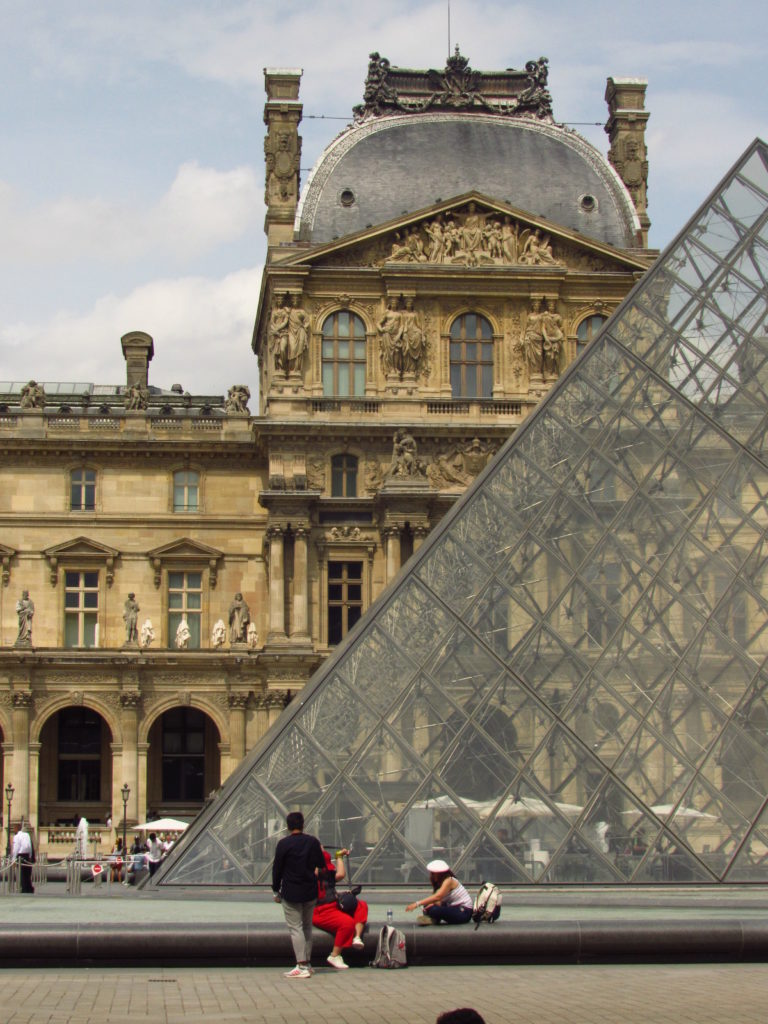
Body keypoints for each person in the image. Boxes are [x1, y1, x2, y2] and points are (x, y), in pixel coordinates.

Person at [271, 811, 326, 979]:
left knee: (295, 928)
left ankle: (301, 965)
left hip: (291, 891)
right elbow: (322, 865)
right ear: (303, 824)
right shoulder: (312, 842)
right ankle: (307, 964)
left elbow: (277, 869)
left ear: (288, 826)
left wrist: (275, 889)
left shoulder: (283, 844)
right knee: (307, 927)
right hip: (310, 891)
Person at [312, 845, 368, 969]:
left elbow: (341, 874)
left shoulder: (326, 874)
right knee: (347, 923)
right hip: (321, 911)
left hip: (334, 905)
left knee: (361, 905)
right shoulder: (312, 874)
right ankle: (334, 955)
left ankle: (357, 937)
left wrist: (339, 856)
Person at [405, 858, 473, 925]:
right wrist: (430, 905)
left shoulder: (449, 880)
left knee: (435, 910)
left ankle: (434, 918)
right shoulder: (441, 883)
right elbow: (438, 902)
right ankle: (433, 919)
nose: (432, 875)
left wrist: (417, 904)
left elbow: (438, 897)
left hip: (464, 911)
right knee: (428, 906)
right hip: (453, 907)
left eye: (433, 873)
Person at [11, 821, 35, 894]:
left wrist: (13, 859)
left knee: (22, 874)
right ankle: (29, 888)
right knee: (27, 873)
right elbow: (30, 846)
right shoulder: (26, 835)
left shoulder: (16, 836)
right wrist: (30, 856)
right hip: (27, 855)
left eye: (14, 829)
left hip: (20, 855)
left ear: (16, 829)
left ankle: (24, 888)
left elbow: (16, 848)